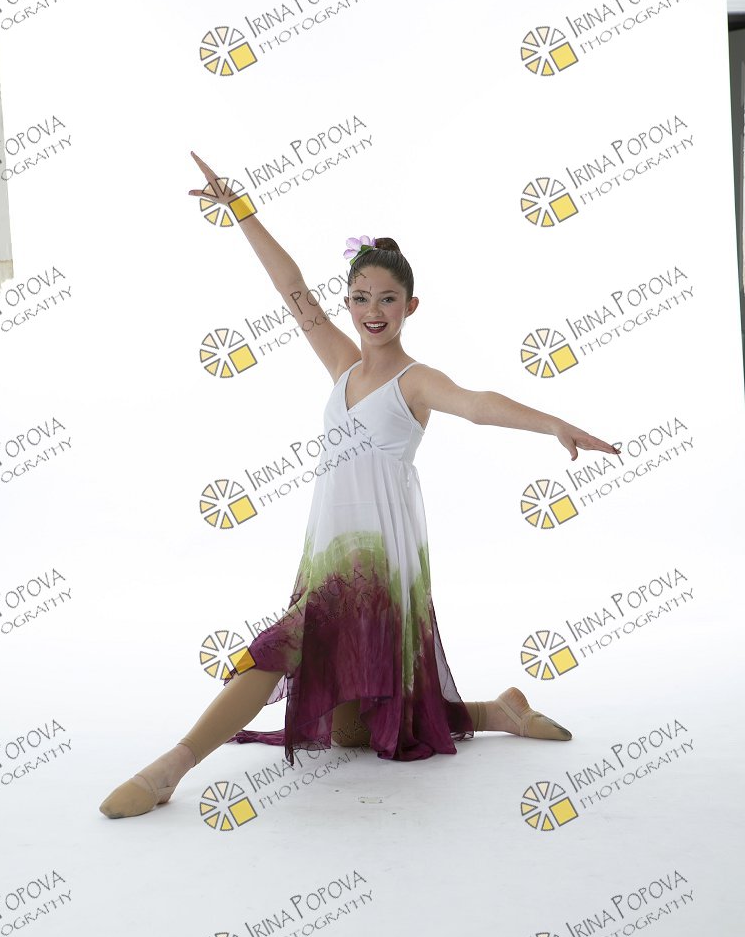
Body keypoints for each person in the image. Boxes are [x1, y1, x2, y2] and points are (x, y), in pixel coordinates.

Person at [99, 151, 622, 819]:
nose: (373, 311)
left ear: (410, 306)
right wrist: (241, 210)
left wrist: (553, 424)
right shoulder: (343, 366)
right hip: (329, 554)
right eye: (361, 298)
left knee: (275, 652)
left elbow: (478, 403)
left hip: (378, 561)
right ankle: (497, 711)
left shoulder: (416, 381)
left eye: (387, 299)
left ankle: (168, 770)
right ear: (347, 303)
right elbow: (291, 288)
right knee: (353, 732)